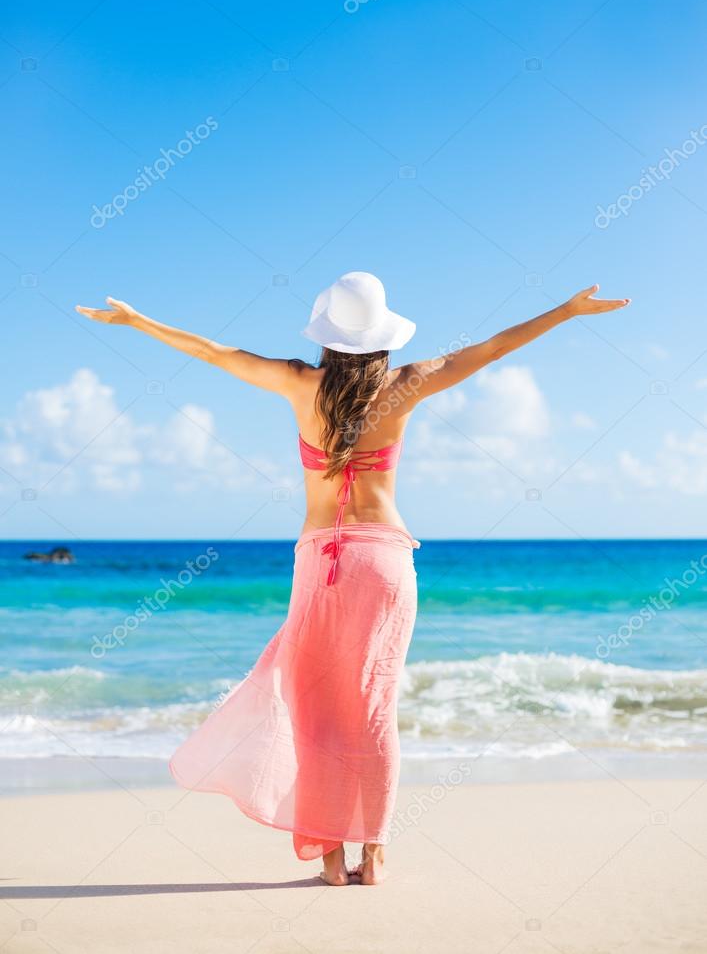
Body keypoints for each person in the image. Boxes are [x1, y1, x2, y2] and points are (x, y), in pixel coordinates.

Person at [76, 272, 630, 885]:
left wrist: (138, 321)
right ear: (383, 334)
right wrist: (569, 310)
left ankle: (332, 859)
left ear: (328, 336)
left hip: (322, 562)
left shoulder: (299, 382)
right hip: (386, 562)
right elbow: (494, 347)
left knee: (314, 713)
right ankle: (377, 853)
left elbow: (217, 353)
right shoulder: (408, 383)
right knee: (374, 709)